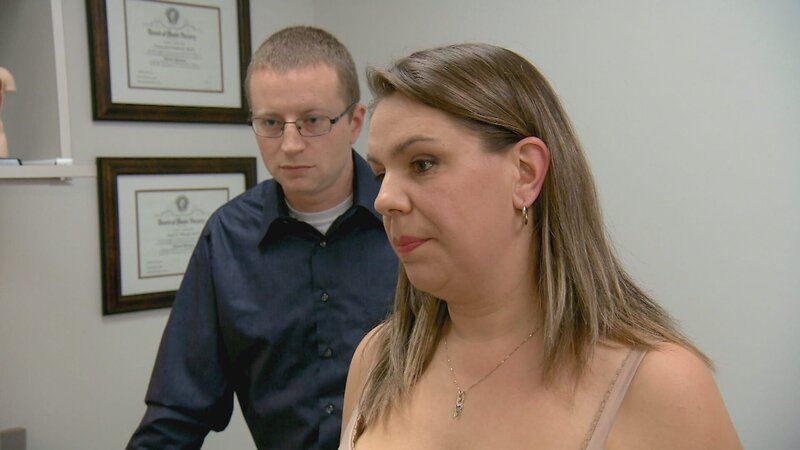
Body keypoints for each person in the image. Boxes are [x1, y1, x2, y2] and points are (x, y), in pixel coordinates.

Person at [340, 43, 743, 449]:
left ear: (525, 173)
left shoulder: (660, 386)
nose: (384, 200)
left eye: (422, 164)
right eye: (380, 174)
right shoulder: (377, 361)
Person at [127, 26, 398, 450]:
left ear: (355, 122)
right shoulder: (227, 237)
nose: (290, 144)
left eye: (312, 121)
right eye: (270, 122)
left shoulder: (407, 218)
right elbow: (178, 412)